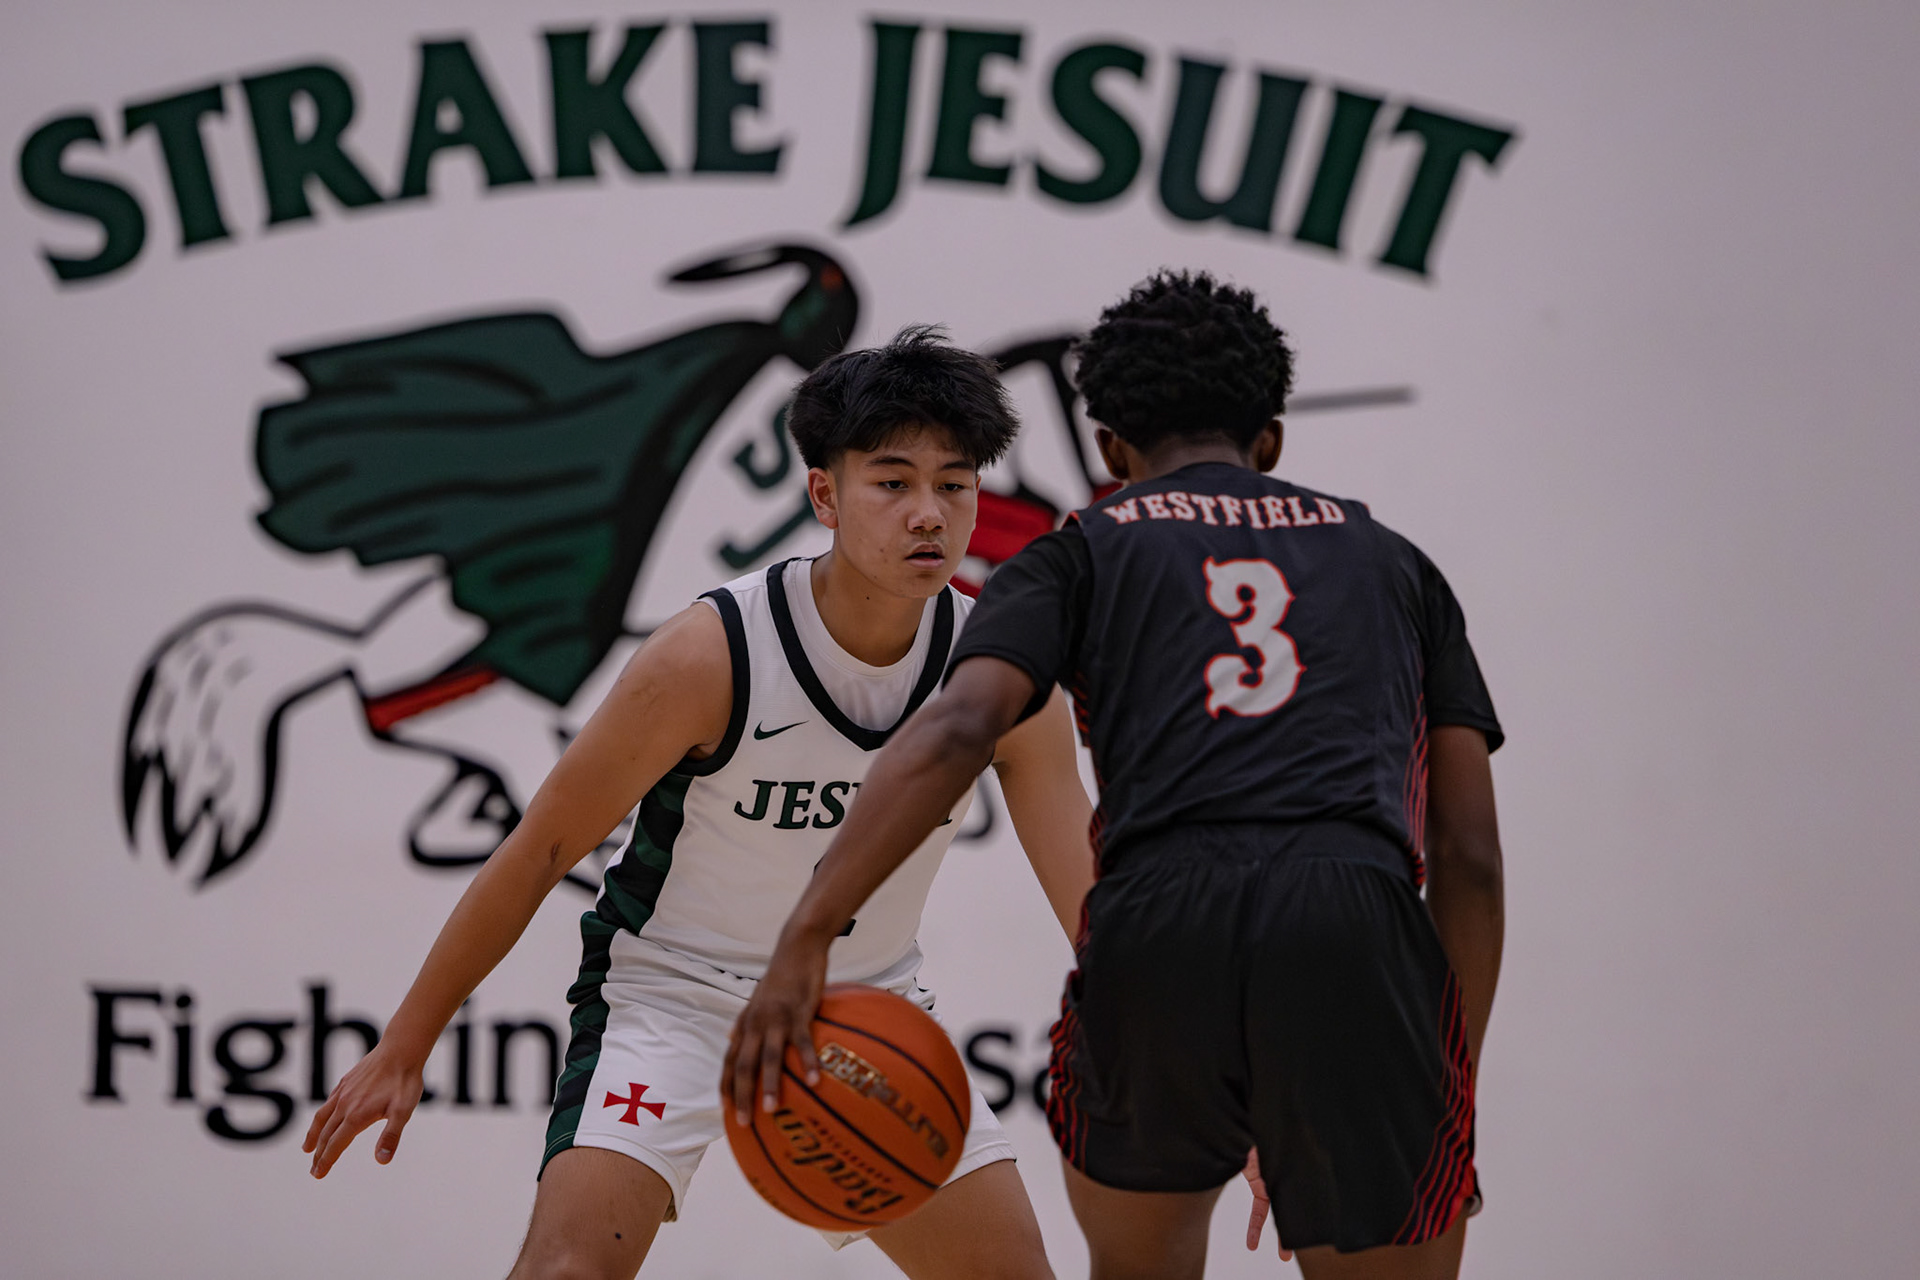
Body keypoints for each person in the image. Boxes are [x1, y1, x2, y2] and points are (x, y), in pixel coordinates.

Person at [729, 273, 1507, 1280]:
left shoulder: (1078, 552)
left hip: (1160, 928)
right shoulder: (1396, 565)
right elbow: (1469, 857)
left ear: (1109, 450)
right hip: (1350, 924)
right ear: (1270, 440)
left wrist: (805, 935)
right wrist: (1445, 1080)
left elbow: (957, 727)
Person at [304, 327, 1097, 1280]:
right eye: (893, 482)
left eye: (954, 485)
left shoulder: (1003, 674)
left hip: (863, 1009)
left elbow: (1093, 907)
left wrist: (1213, 1084)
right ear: (825, 495)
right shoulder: (709, 654)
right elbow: (540, 850)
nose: (928, 513)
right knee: (568, 1271)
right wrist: (406, 1042)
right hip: (671, 997)